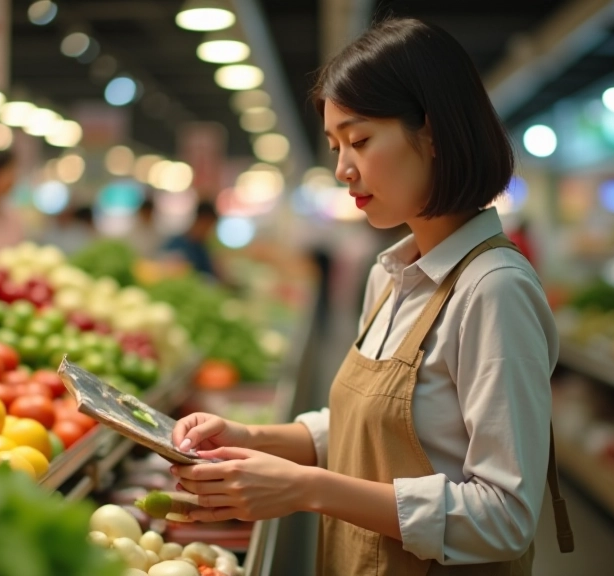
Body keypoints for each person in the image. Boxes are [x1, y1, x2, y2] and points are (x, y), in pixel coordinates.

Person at [168, 18, 573, 575]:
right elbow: (370, 429)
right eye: (336, 146)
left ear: (432, 133)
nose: (342, 169)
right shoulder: (391, 276)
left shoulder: (493, 289)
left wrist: (307, 489)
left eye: (359, 140)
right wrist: (251, 437)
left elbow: (506, 517)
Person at [160, 202, 219, 277]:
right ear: (200, 220)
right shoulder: (177, 244)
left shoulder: (201, 248)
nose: (208, 231)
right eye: (207, 226)